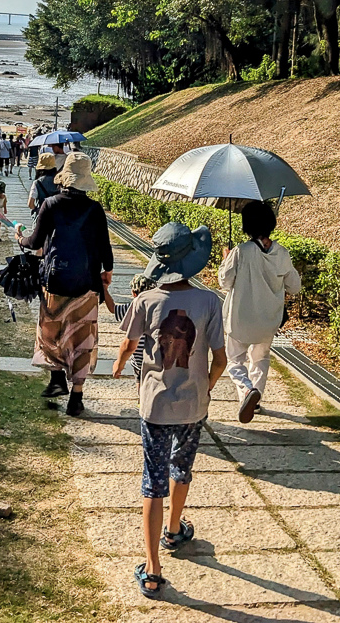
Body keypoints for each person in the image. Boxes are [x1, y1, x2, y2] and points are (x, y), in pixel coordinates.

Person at [113, 221, 226, 600]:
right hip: (193, 405)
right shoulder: (209, 301)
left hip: (155, 404)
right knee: (183, 467)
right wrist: (206, 385)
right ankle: (175, 529)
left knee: (152, 480)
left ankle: (152, 568)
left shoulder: (147, 301)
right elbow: (221, 359)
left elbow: (130, 344)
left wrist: (117, 364)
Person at [16, 152, 113, 417]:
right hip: (86, 285)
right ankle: (77, 397)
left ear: (65, 177)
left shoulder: (50, 204)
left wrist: (20, 238)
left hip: (55, 283)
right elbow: (105, 249)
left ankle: (57, 377)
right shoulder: (94, 209)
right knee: (82, 339)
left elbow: (35, 242)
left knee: (51, 332)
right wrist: (107, 274)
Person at [218, 201, 302, 422]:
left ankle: (247, 391)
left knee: (235, 360)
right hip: (268, 321)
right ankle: (256, 395)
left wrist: (225, 260)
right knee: (261, 358)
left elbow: (225, 282)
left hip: (240, 319)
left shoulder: (240, 252)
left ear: (246, 226)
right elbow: (295, 287)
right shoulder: (282, 253)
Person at [103, 273, 156, 395]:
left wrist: (104, 289)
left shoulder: (133, 307)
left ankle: (141, 401)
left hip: (139, 359)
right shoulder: (160, 306)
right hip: (157, 358)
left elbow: (113, 309)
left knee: (139, 380)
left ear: (134, 293)